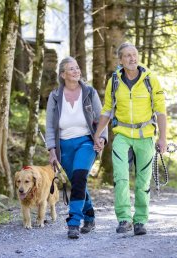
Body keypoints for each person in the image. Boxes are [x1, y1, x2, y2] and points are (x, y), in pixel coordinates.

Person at [94, 42, 167, 236]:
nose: (132, 58)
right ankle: (124, 219)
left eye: (134, 54)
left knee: (143, 181)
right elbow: (107, 110)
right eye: (127, 55)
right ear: (120, 60)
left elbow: (160, 111)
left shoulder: (150, 79)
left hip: (145, 136)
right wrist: (98, 133)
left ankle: (140, 221)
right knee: (120, 178)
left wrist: (163, 138)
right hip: (122, 135)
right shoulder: (115, 80)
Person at [45, 56, 108, 239]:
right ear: (63, 74)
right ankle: (90, 215)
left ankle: (73, 222)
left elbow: (100, 119)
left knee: (80, 177)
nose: (76, 71)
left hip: (86, 143)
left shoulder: (89, 92)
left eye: (77, 68)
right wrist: (52, 151)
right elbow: (49, 125)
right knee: (78, 183)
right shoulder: (55, 96)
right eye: (71, 69)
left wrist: (102, 137)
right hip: (63, 146)